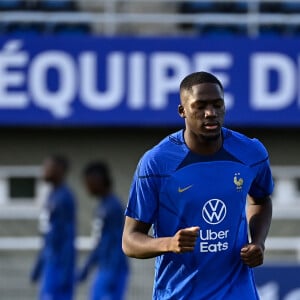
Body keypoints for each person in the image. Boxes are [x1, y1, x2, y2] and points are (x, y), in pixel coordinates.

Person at [122, 71, 274, 299]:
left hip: (238, 293)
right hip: (180, 294)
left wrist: (258, 243)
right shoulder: (156, 163)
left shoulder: (251, 153)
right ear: (182, 111)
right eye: (200, 106)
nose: (210, 113)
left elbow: (261, 201)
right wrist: (170, 243)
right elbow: (130, 241)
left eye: (217, 105)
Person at [77, 161, 129, 300]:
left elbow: (117, 241)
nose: (86, 186)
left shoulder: (113, 207)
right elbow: (100, 242)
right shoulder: (102, 206)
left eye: (88, 181)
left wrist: (111, 274)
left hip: (112, 269)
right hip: (104, 268)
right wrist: (87, 268)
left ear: (98, 179)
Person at [30, 154, 77, 300]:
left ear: (59, 170)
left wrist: (64, 271)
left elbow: (68, 235)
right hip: (49, 263)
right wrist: (39, 265)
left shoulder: (65, 197)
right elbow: (47, 235)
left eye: (47, 167)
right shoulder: (51, 195)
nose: (44, 170)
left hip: (59, 265)